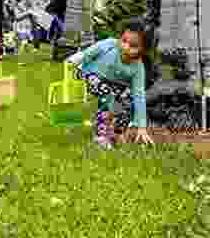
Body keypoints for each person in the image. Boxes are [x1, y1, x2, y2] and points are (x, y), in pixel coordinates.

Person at [65, 17, 154, 149]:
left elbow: (139, 95)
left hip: (112, 86)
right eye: (123, 41)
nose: (126, 47)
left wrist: (141, 126)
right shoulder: (110, 45)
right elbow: (90, 52)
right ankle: (100, 135)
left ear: (143, 50)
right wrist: (75, 60)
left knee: (128, 99)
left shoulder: (138, 67)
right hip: (88, 75)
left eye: (133, 46)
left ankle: (117, 132)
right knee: (109, 96)